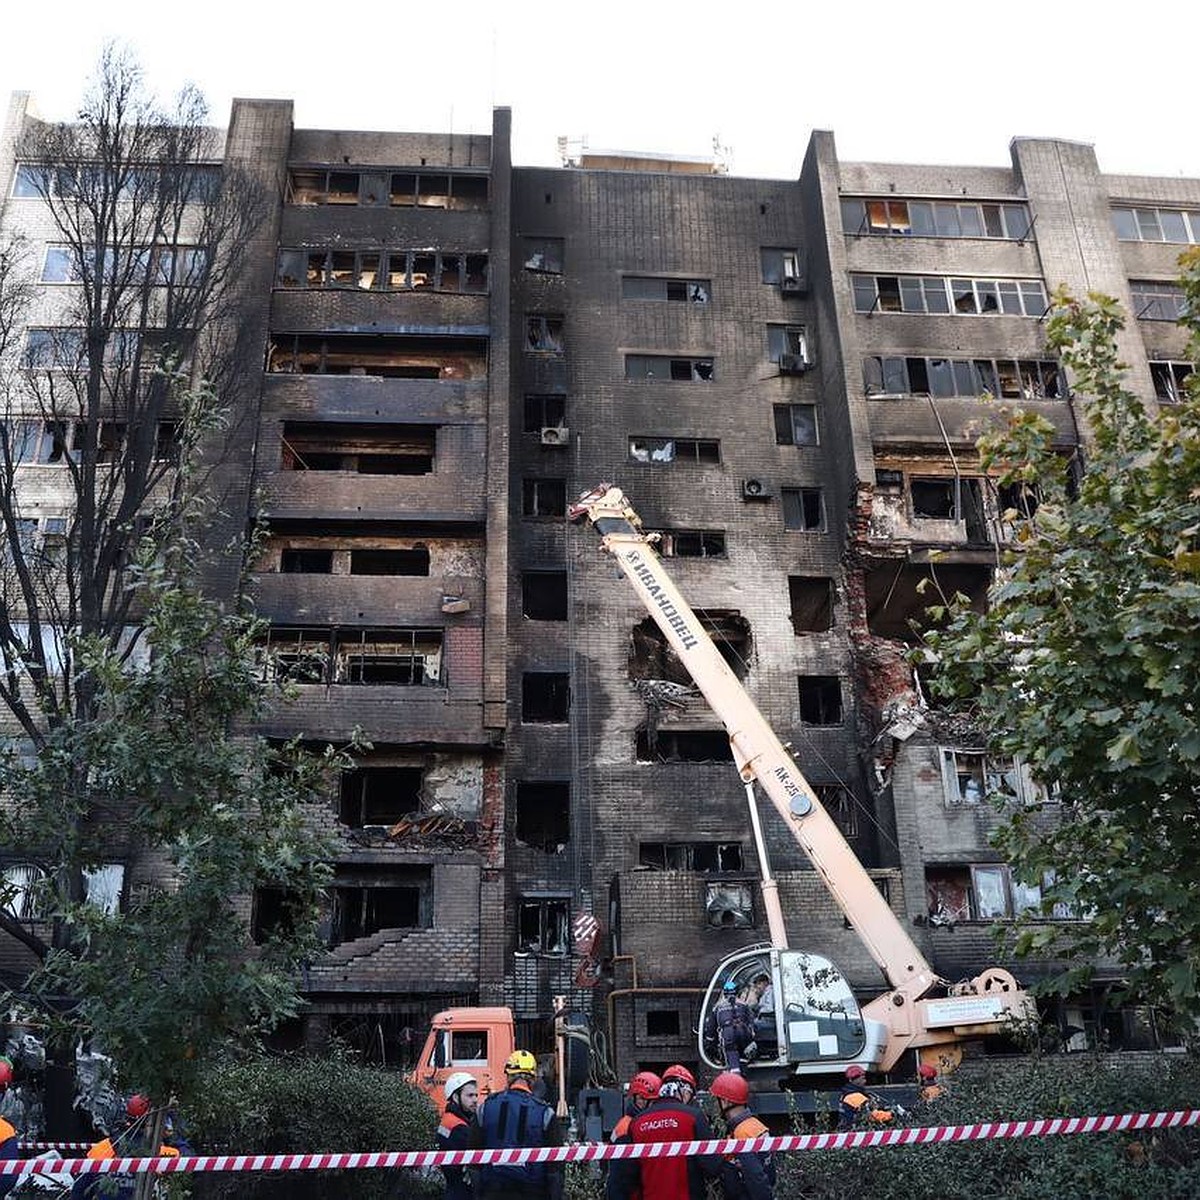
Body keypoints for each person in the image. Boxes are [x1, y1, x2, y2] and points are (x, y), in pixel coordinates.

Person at [608, 1064, 720, 1200]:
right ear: (684, 1091)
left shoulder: (636, 1123)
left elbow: (626, 1177)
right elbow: (712, 1166)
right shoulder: (693, 1117)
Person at [471, 1049, 564, 1200]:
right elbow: (555, 1169)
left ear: (508, 1076)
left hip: (493, 1191)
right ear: (533, 1079)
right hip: (533, 1192)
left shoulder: (485, 1109)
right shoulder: (545, 1113)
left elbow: (472, 1160)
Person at [709, 1072, 775, 1200]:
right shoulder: (754, 1125)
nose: (715, 1105)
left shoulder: (742, 1133)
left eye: (717, 1099)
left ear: (726, 1102)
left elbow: (755, 1177)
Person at [607, 1072, 660, 1200]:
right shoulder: (628, 1128)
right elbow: (622, 1176)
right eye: (653, 1101)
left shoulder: (632, 1123)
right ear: (640, 1100)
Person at [439, 1071, 480, 1200]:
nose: (475, 1100)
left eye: (476, 1095)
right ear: (456, 1097)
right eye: (469, 1095)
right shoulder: (458, 1127)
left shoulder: (448, 1119)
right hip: (462, 1190)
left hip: (453, 1188)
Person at [713, 981, 757, 1073]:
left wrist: (709, 1042)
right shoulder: (744, 1005)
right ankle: (743, 1071)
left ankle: (736, 1075)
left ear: (724, 992)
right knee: (744, 1052)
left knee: (732, 1054)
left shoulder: (718, 1007)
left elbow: (711, 1027)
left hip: (728, 1034)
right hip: (743, 1032)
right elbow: (751, 1022)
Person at [837, 1066, 894, 1132]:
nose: (865, 1080)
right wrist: (891, 1114)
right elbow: (873, 1115)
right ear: (855, 1080)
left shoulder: (846, 1094)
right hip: (856, 1132)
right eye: (862, 1078)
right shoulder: (855, 1096)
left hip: (847, 1131)